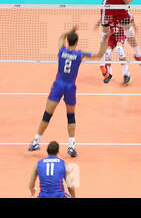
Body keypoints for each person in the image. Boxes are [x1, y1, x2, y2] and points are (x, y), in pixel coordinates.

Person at [28, 27, 109, 157]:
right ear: (76, 42)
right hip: (70, 87)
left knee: (47, 115)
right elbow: (99, 54)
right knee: (70, 116)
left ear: (68, 41)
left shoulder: (61, 51)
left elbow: (61, 38)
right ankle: (71, 146)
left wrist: (68, 32)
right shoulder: (79, 54)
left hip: (58, 86)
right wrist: (105, 40)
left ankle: (36, 141)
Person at [99, 21, 134, 85]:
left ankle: (126, 74)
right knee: (107, 53)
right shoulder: (108, 15)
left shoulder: (123, 14)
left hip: (121, 35)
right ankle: (109, 74)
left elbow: (130, 20)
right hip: (112, 37)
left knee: (119, 49)